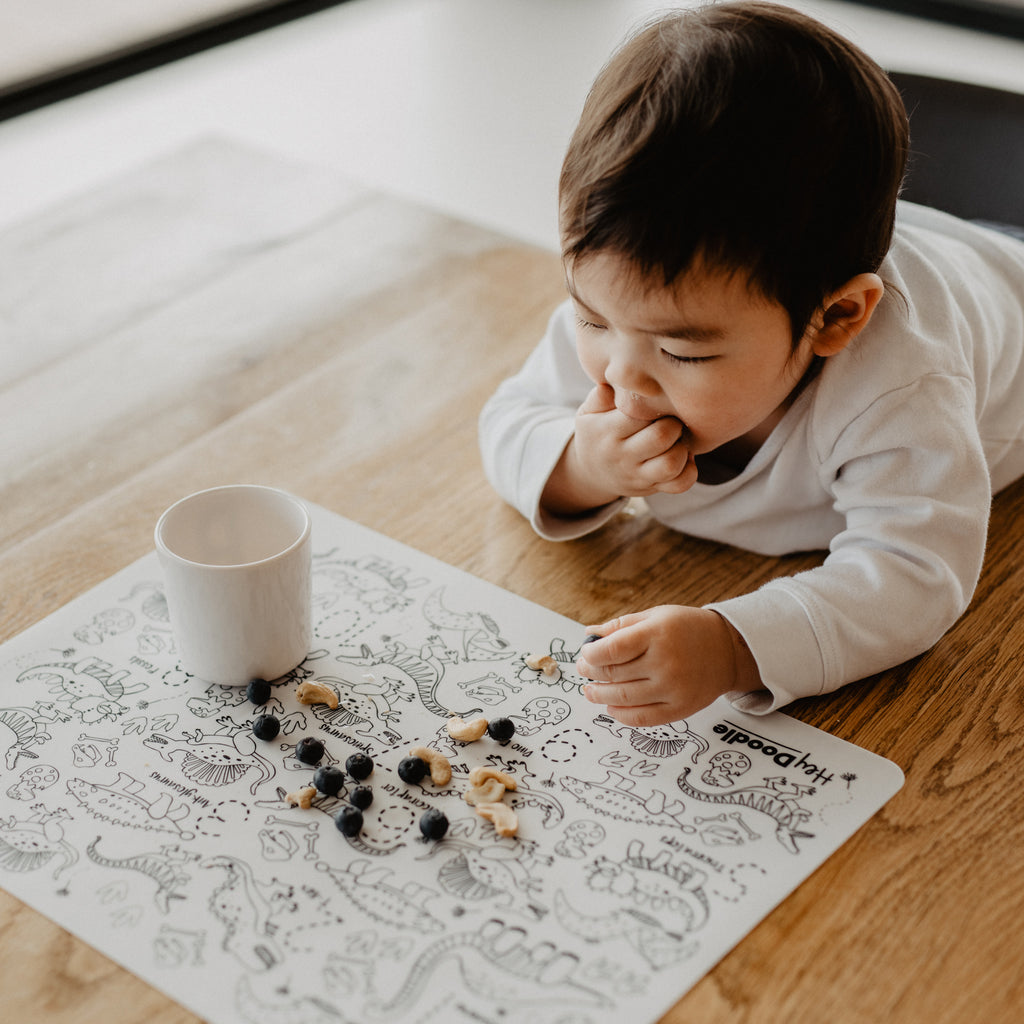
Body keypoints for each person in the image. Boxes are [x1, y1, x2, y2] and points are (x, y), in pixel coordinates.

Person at [478, 1, 1024, 725]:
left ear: (835, 319)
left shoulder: (905, 385)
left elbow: (916, 575)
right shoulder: (637, 308)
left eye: (682, 351)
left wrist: (734, 645)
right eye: (590, 318)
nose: (620, 376)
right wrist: (582, 467)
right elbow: (508, 419)